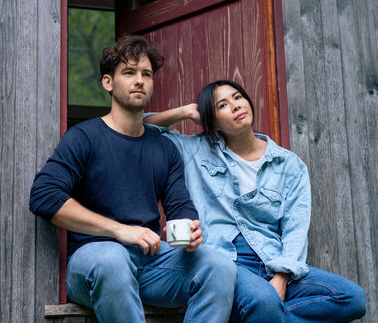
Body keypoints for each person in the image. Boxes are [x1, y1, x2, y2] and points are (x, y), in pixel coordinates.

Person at [29, 37, 236, 323]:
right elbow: (43, 196)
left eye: (146, 74)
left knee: (220, 266)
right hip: (93, 263)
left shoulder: (164, 148)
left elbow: (180, 206)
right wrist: (119, 230)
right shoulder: (84, 137)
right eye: (129, 73)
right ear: (108, 83)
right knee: (113, 260)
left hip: (150, 263)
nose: (139, 80)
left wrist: (188, 231)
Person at [144, 79, 367, 323]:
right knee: (264, 302)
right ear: (212, 119)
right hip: (226, 261)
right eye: (223, 105)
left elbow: (295, 229)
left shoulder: (289, 165)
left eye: (238, 97)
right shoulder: (196, 151)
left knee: (351, 298)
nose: (236, 105)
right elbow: (143, 129)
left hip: (272, 260)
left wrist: (281, 278)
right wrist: (186, 111)